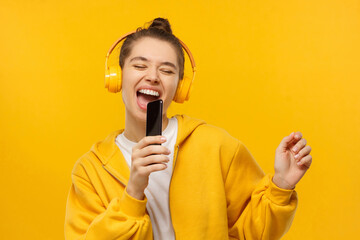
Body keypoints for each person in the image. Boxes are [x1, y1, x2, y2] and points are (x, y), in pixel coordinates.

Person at [64, 18, 312, 240]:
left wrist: (282, 184)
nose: (152, 76)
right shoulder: (90, 171)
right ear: (117, 77)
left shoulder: (215, 145)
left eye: (167, 70)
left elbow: (252, 233)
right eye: (140, 66)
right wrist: (134, 191)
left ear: (180, 88)